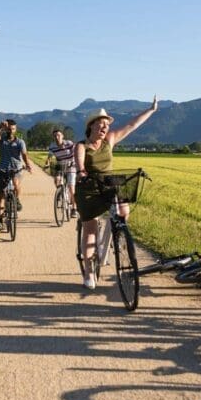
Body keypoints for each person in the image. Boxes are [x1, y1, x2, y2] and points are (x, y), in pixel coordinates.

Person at [75, 96, 158, 290]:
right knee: (90, 229)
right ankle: (88, 271)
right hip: (88, 188)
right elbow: (79, 161)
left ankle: (116, 233)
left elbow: (131, 125)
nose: (105, 128)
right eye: (101, 124)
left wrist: (151, 110)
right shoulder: (81, 145)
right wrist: (81, 172)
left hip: (107, 185)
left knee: (123, 209)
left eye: (106, 125)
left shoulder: (110, 140)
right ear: (91, 126)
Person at [0, 119, 32, 231]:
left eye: (13, 129)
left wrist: (28, 165)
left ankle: (17, 199)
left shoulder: (20, 142)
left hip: (16, 169)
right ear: (6, 129)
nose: (11, 130)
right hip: (3, 170)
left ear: (16, 130)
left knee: (16, 183)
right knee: (1, 196)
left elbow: (24, 155)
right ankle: (0, 221)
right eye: (9, 128)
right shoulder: (2, 141)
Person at [44, 128, 78, 217]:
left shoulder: (69, 143)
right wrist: (47, 163)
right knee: (57, 180)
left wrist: (73, 162)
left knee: (71, 187)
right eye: (55, 136)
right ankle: (61, 192)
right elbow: (50, 156)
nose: (57, 137)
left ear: (62, 136)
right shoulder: (52, 146)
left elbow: (76, 153)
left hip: (71, 166)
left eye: (58, 135)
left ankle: (74, 208)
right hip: (60, 165)